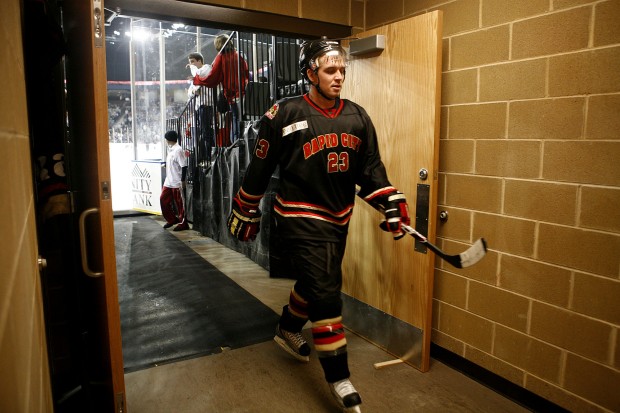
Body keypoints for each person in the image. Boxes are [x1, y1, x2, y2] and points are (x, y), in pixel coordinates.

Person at [226, 39, 410, 412]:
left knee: (314, 284)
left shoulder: (358, 117)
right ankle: (339, 378)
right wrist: (246, 206)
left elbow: (369, 171)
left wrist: (390, 202)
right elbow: (260, 166)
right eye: (330, 70)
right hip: (299, 215)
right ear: (310, 73)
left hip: (337, 218)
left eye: (342, 70)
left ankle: (288, 327)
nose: (338, 76)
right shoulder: (283, 113)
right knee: (326, 292)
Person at [193, 33, 249, 143]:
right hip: (243, 92)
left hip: (232, 94)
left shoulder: (221, 57)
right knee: (241, 119)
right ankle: (242, 143)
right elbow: (246, 73)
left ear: (218, 45)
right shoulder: (239, 55)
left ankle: (236, 145)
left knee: (235, 119)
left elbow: (213, 77)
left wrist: (197, 79)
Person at [160, 130, 189, 231]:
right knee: (163, 200)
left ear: (168, 140)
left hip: (177, 182)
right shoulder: (171, 149)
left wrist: (183, 180)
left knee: (180, 204)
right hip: (169, 181)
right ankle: (172, 219)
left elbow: (184, 166)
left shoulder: (178, 150)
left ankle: (183, 223)